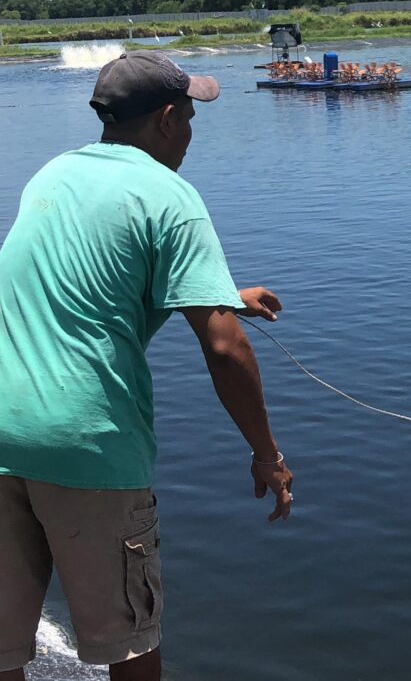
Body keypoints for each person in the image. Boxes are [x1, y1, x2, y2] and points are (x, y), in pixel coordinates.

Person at [0, 52, 294, 681]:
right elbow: (224, 348)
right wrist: (265, 453)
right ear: (165, 120)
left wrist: (221, 294)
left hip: (2, 432)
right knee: (129, 643)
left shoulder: (52, 175)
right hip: (87, 445)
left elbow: (87, 279)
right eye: (189, 117)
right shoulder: (171, 196)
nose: (190, 132)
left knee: (2, 646)